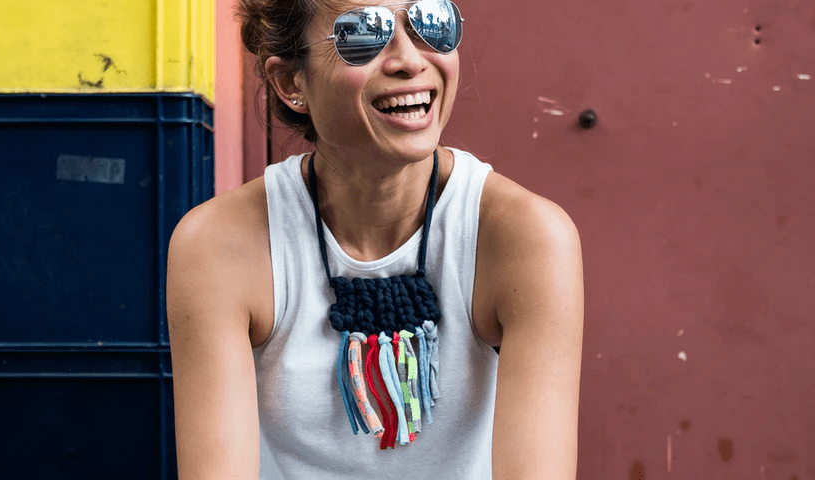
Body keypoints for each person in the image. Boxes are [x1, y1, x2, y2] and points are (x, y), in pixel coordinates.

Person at [166, 0, 584, 477]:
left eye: (433, 22)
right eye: (363, 32)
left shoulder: (526, 237)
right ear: (291, 83)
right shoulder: (219, 245)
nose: (410, 59)